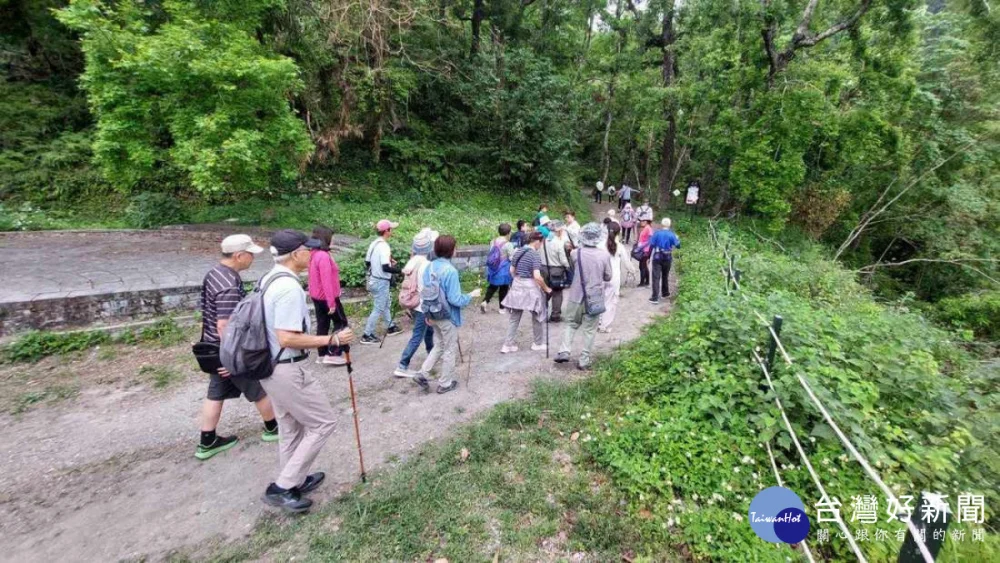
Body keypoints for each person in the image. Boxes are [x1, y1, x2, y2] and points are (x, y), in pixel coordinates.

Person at [258, 229, 356, 513]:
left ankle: (293, 479)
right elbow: (287, 337)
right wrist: (332, 340)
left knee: (290, 426)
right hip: (286, 366)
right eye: (307, 249)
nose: (311, 253)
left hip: (271, 365)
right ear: (296, 254)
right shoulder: (287, 288)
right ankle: (283, 487)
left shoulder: (270, 278)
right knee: (324, 422)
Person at [195, 234, 277, 460]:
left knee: (215, 393)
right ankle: (273, 428)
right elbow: (226, 325)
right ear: (239, 255)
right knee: (258, 388)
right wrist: (229, 359)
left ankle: (207, 440)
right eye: (250, 254)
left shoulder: (215, 273)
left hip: (213, 347)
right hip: (228, 351)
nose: (252, 258)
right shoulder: (229, 285)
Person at [413, 235, 481, 394]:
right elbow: (455, 299)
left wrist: (427, 314)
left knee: (439, 345)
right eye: (455, 247)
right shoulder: (450, 271)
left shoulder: (428, 267)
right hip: (446, 316)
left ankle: (422, 373)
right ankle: (445, 383)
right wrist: (471, 295)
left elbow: (425, 292)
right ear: (451, 251)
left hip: (431, 313)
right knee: (449, 349)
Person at [554, 223, 611, 370]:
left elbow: (574, 269)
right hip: (595, 298)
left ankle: (564, 351)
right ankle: (584, 360)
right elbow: (608, 276)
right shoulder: (604, 255)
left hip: (576, 295)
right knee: (590, 330)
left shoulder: (575, 253)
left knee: (571, 323)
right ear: (598, 238)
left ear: (583, 237)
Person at [394, 228, 438, 377]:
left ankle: (431, 352)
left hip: (412, 302)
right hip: (422, 305)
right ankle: (402, 365)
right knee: (417, 335)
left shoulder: (412, 261)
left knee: (429, 329)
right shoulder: (426, 265)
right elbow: (428, 288)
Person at [501, 231, 552, 353]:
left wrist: (518, 280)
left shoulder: (518, 251)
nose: (541, 245)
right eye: (541, 243)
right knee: (537, 315)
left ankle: (507, 345)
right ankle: (537, 343)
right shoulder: (534, 255)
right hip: (530, 287)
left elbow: (512, 270)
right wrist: (546, 289)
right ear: (537, 241)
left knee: (515, 317)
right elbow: (537, 276)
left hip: (517, 284)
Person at [308, 226, 348, 366]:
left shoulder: (314, 253)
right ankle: (333, 352)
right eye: (332, 238)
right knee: (341, 323)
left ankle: (321, 354)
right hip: (327, 297)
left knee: (322, 324)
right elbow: (326, 281)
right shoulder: (323, 257)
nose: (333, 241)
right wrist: (331, 302)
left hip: (316, 296)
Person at [362, 219, 403, 344]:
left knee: (384, 304)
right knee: (379, 308)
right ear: (386, 231)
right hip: (381, 282)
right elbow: (385, 267)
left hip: (373, 280)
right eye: (391, 229)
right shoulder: (384, 246)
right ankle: (366, 335)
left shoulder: (374, 244)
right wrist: (400, 270)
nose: (392, 231)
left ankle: (390, 327)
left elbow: (367, 262)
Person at [598, 223, 634, 333]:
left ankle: (599, 321)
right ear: (619, 233)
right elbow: (626, 262)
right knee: (610, 302)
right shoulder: (620, 247)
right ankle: (604, 325)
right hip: (614, 278)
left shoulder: (599, 245)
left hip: (600, 276)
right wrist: (632, 270)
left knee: (600, 300)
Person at [541, 220, 572, 322]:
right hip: (557, 270)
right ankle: (555, 315)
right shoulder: (559, 243)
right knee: (557, 293)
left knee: (545, 291)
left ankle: (542, 313)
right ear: (559, 231)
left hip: (543, 269)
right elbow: (563, 260)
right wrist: (568, 267)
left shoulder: (543, 241)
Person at [482, 223, 515, 314]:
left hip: (493, 268)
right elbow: (511, 258)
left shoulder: (493, 241)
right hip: (503, 269)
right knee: (504, 288)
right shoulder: (508, 244)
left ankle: (485, 301)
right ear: (508, 233)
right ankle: (501, 308)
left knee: (492, 286)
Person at [649, 217, 681, 304]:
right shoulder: (672, 234)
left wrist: (648, 256)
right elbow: (678, 246)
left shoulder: (657, 233)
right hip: (667, 257)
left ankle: (655, 297)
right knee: (665, 275)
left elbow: (651, 245)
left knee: (656, 277)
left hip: (657, 256)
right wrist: (677, 239)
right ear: (669, 225)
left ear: (661, 224)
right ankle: (665, 293)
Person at [636, 218, 654, 287]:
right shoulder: (646, 227)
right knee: (644, 265)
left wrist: (640, 246)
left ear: (646, 221)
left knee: (642, 266)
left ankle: (642, 282)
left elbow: (650, 240)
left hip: (646, 250)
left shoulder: (648, 228)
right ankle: (647, 281)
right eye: (640, 221)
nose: (640, 222)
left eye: (642, 221)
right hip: (644, 249)